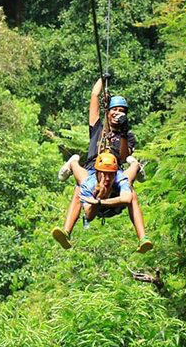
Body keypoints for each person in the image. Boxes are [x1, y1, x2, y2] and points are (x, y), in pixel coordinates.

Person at [51, 76, 151, 253]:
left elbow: (123, 154)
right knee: (78, 188)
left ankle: (142, 238)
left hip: (114, 171)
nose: (118, 113)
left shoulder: (127, 136)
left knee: (132, 191)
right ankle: (66, 232)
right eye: (115, 110)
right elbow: (94, 96)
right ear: (108, 111)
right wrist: (102, 80)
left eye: (122, 111)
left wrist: (123, 131)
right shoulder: (98, 128)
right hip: (92, 170)